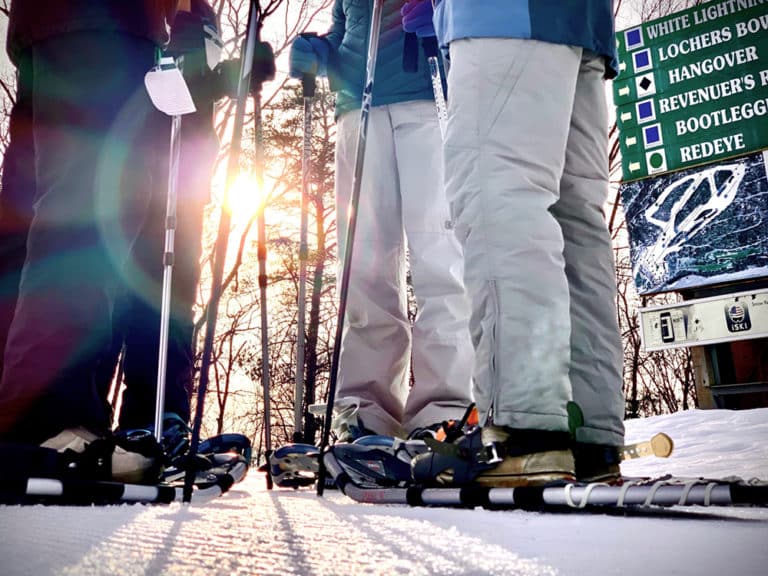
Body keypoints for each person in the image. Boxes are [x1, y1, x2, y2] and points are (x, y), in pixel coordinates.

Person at [402, 0, 627, 485]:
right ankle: (587, 431)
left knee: (498, 193)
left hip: (501, 15)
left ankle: (525, 429)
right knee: (573, 224)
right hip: (581, 24)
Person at [0, 0, 181, 481]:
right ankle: (51, 421)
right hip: (101, 23)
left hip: (50, 25)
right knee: (94, 206)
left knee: (35, 215)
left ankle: (24, 420)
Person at [288, 0, 474, 441]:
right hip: (358, 112)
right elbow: (343, 36)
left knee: (439, 257)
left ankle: (443, 407)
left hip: (427, 100)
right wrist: (321, 55)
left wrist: (445, 24)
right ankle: (366, 409)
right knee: (364, 265)